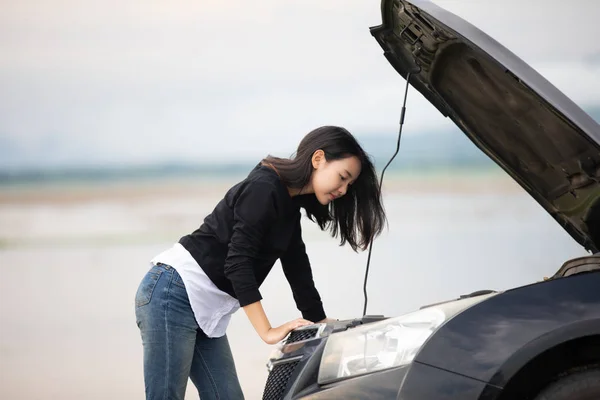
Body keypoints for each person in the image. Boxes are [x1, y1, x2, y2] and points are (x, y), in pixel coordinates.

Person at [134, 125, 387, 399]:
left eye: (349, 184)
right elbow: (237, 262)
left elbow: (297, 268)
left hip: (206, 309)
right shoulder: (264, 188)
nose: (343, 189)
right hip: (172, 293)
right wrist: (268, 331)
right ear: (318, 159)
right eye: (342, 177)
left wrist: (321, 321)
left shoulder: (289, 205)